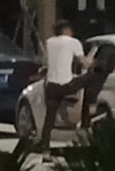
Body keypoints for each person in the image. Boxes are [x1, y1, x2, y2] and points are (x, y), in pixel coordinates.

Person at [36, 19, 93, 155]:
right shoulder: (73, 42)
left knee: (49, 118)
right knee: (91, 76)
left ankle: (45, 150)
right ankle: (88, 109)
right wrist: (92, 62)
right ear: (67, 30)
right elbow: (84, 63)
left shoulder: (49, 42)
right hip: (67, 85)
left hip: (51, 86)